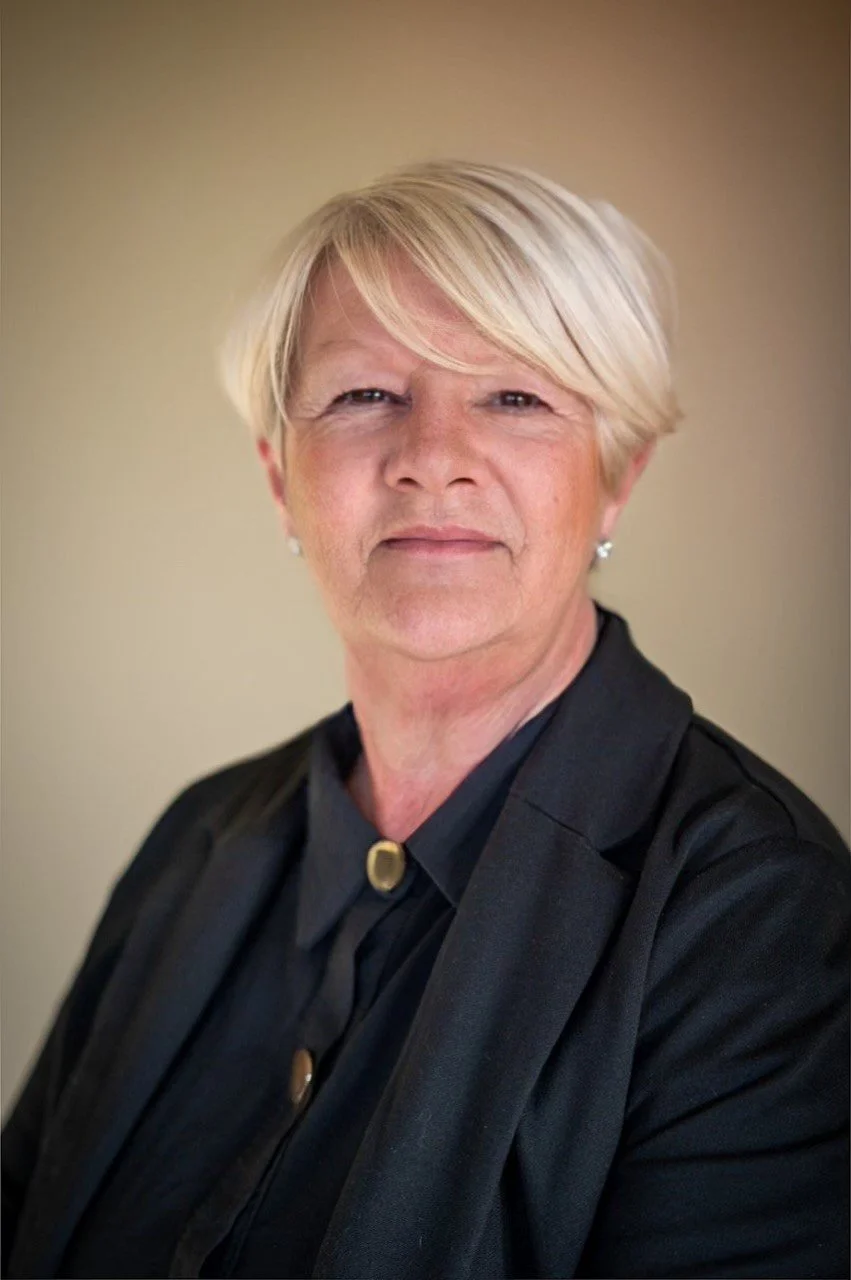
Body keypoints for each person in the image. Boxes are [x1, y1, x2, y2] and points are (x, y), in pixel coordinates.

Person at [2, 160, 848, 1280]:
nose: (431, 458)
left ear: (616, 478)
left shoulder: (757, 917)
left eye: (514, 397)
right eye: (364, 395)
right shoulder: (193, 843)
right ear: (278, 476)